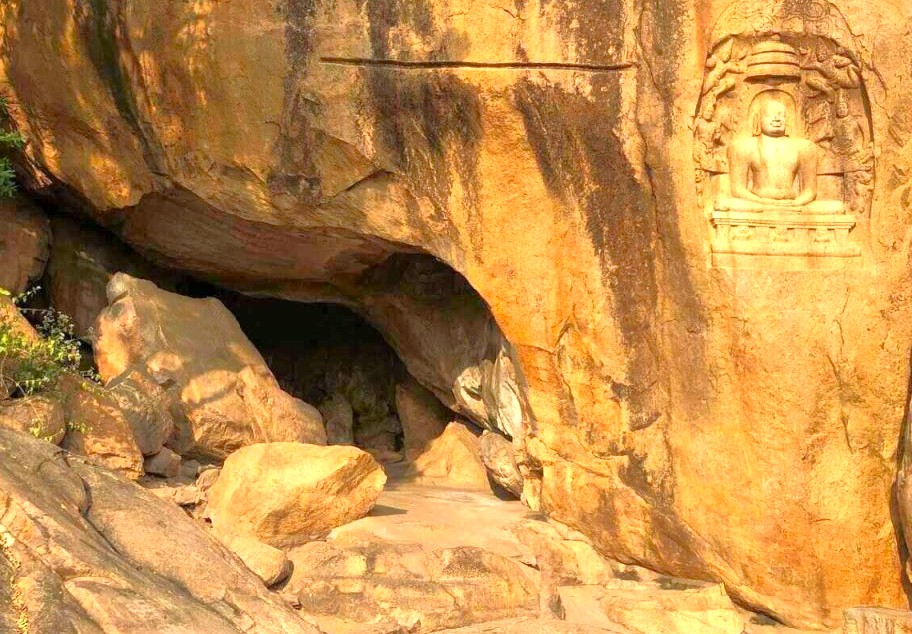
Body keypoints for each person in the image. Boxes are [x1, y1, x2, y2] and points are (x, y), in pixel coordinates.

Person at [717, 93, 843, 213]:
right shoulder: (744, 146)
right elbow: (737, 189)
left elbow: (810, 191)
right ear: (758, 119)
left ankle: (789, 211)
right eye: (769, 115)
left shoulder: (804, 147)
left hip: (794, 204)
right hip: (757, 203)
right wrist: (764, 202)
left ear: (787, 119)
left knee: (837, 207)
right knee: (723, 204)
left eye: (781, 115)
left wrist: (796, 203)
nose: (777, 119)